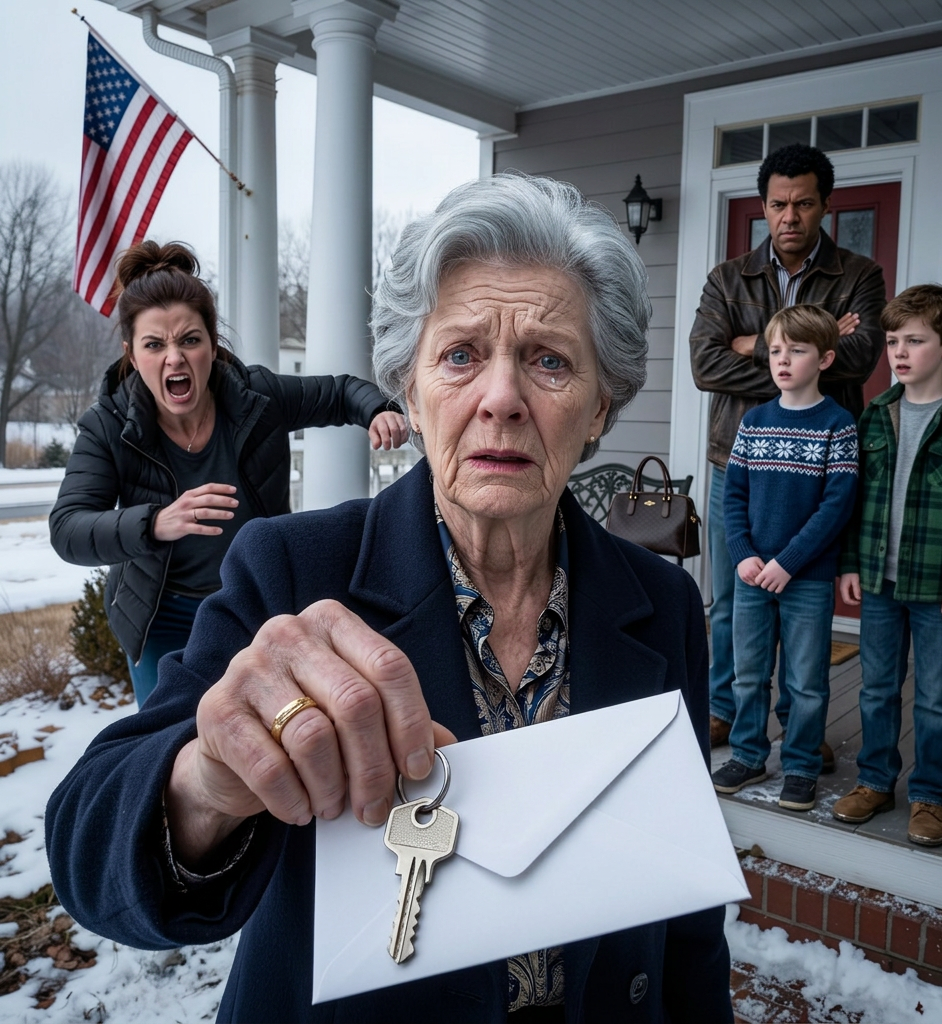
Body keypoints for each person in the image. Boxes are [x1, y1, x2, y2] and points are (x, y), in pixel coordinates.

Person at [46, 174, 733, 1023]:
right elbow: (86, 845)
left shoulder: (661, 603)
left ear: (601, 407)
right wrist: (206, 780)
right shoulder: (293, 574)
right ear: (409, 388)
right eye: (460, 355)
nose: (502, 398)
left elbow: (688, 917)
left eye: (550, 360)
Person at [49, 241, 407, 706]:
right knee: (172, 746)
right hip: (164, 616)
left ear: (211, 345)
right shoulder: (110, 425)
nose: (174, 358)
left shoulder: (255, 397)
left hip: (253, 603)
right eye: (155, 345)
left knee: (271, 732)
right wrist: (155, 521)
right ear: (133, 356)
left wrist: (377, 410)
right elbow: (67, 527)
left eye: (189, 340)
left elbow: (338, 392)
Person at [689, 143, 886, 759]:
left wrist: (752, 342)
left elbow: (860, 357)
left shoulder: (859, 275)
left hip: (816, 470)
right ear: (764, 206)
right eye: (778, 205)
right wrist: (803, 348)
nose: (790, 217)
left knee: (802, 598)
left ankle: (797, 723)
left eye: (803, 204)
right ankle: (725, 711)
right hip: (737, 461)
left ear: (825, 205)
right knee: (733, 597)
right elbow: (703, 362)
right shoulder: (728, 278)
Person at [832, 285, 942, 847]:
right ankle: (876, 781)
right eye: (891, 341)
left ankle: (929, 795)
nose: (899, 353)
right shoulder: (876, 415)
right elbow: (855, 501)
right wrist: (851, 563)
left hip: (939, 588)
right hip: (880, 582)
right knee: (877, 688)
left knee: (935, 696)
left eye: (915, 341)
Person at [712, 305, 858, 812]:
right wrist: (744, 555)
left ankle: (799, 764)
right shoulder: (754, 422)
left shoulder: (838, 427)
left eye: (797, 350)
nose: (784, 360)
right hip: (754, 575)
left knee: (806, 679)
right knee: (748, 673)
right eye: (776, 350)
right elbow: (733, 496)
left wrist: (789, 562)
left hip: (807, 579)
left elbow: (835, 507)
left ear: (825, 358)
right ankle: (749, 753)